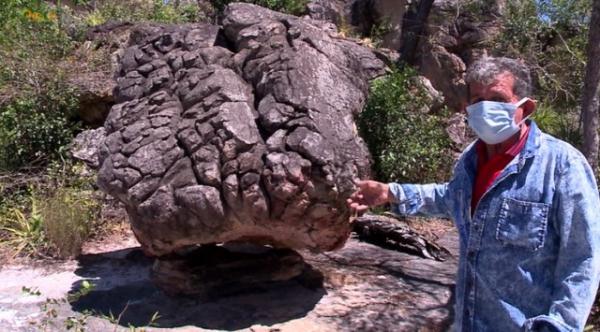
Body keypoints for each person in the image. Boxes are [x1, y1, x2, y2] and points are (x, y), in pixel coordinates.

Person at [347, 56, 600, 332]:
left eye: (497, 98)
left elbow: (583, 259)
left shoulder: (563, 165)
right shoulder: (471, 158)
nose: (485, 107)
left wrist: (560, 325)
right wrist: (390, 193)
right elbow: (450, 197)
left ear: (525, 107)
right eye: (478, 99)